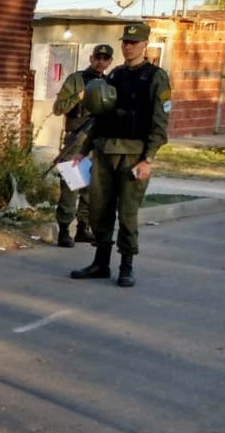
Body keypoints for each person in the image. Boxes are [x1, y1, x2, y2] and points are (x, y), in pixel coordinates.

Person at [70, 23, 171, 288]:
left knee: (127, 213)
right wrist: (83, 152)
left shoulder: (155, 77)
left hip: (133, 155)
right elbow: (99, 118)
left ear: (145, 45)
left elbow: (160, 124)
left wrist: (148, 159)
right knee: (99, 210)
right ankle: (101, 262)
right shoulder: (114, 75)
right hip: (105, 152)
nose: (128, 46)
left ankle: (126, 265)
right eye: (125, 42)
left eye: (133, 43)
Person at [51, 44, 114, 247]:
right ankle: (63, 230)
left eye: (105, 59)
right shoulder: (76, 79)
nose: (100, 62)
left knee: (91, 187)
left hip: (97, 141)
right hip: (77, 139)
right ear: (91, 57)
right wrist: (78, 96)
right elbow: (58, 108)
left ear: (110, 62)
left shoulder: (109, 83)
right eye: (97, 57)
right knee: (71, 185)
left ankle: (82, 228)